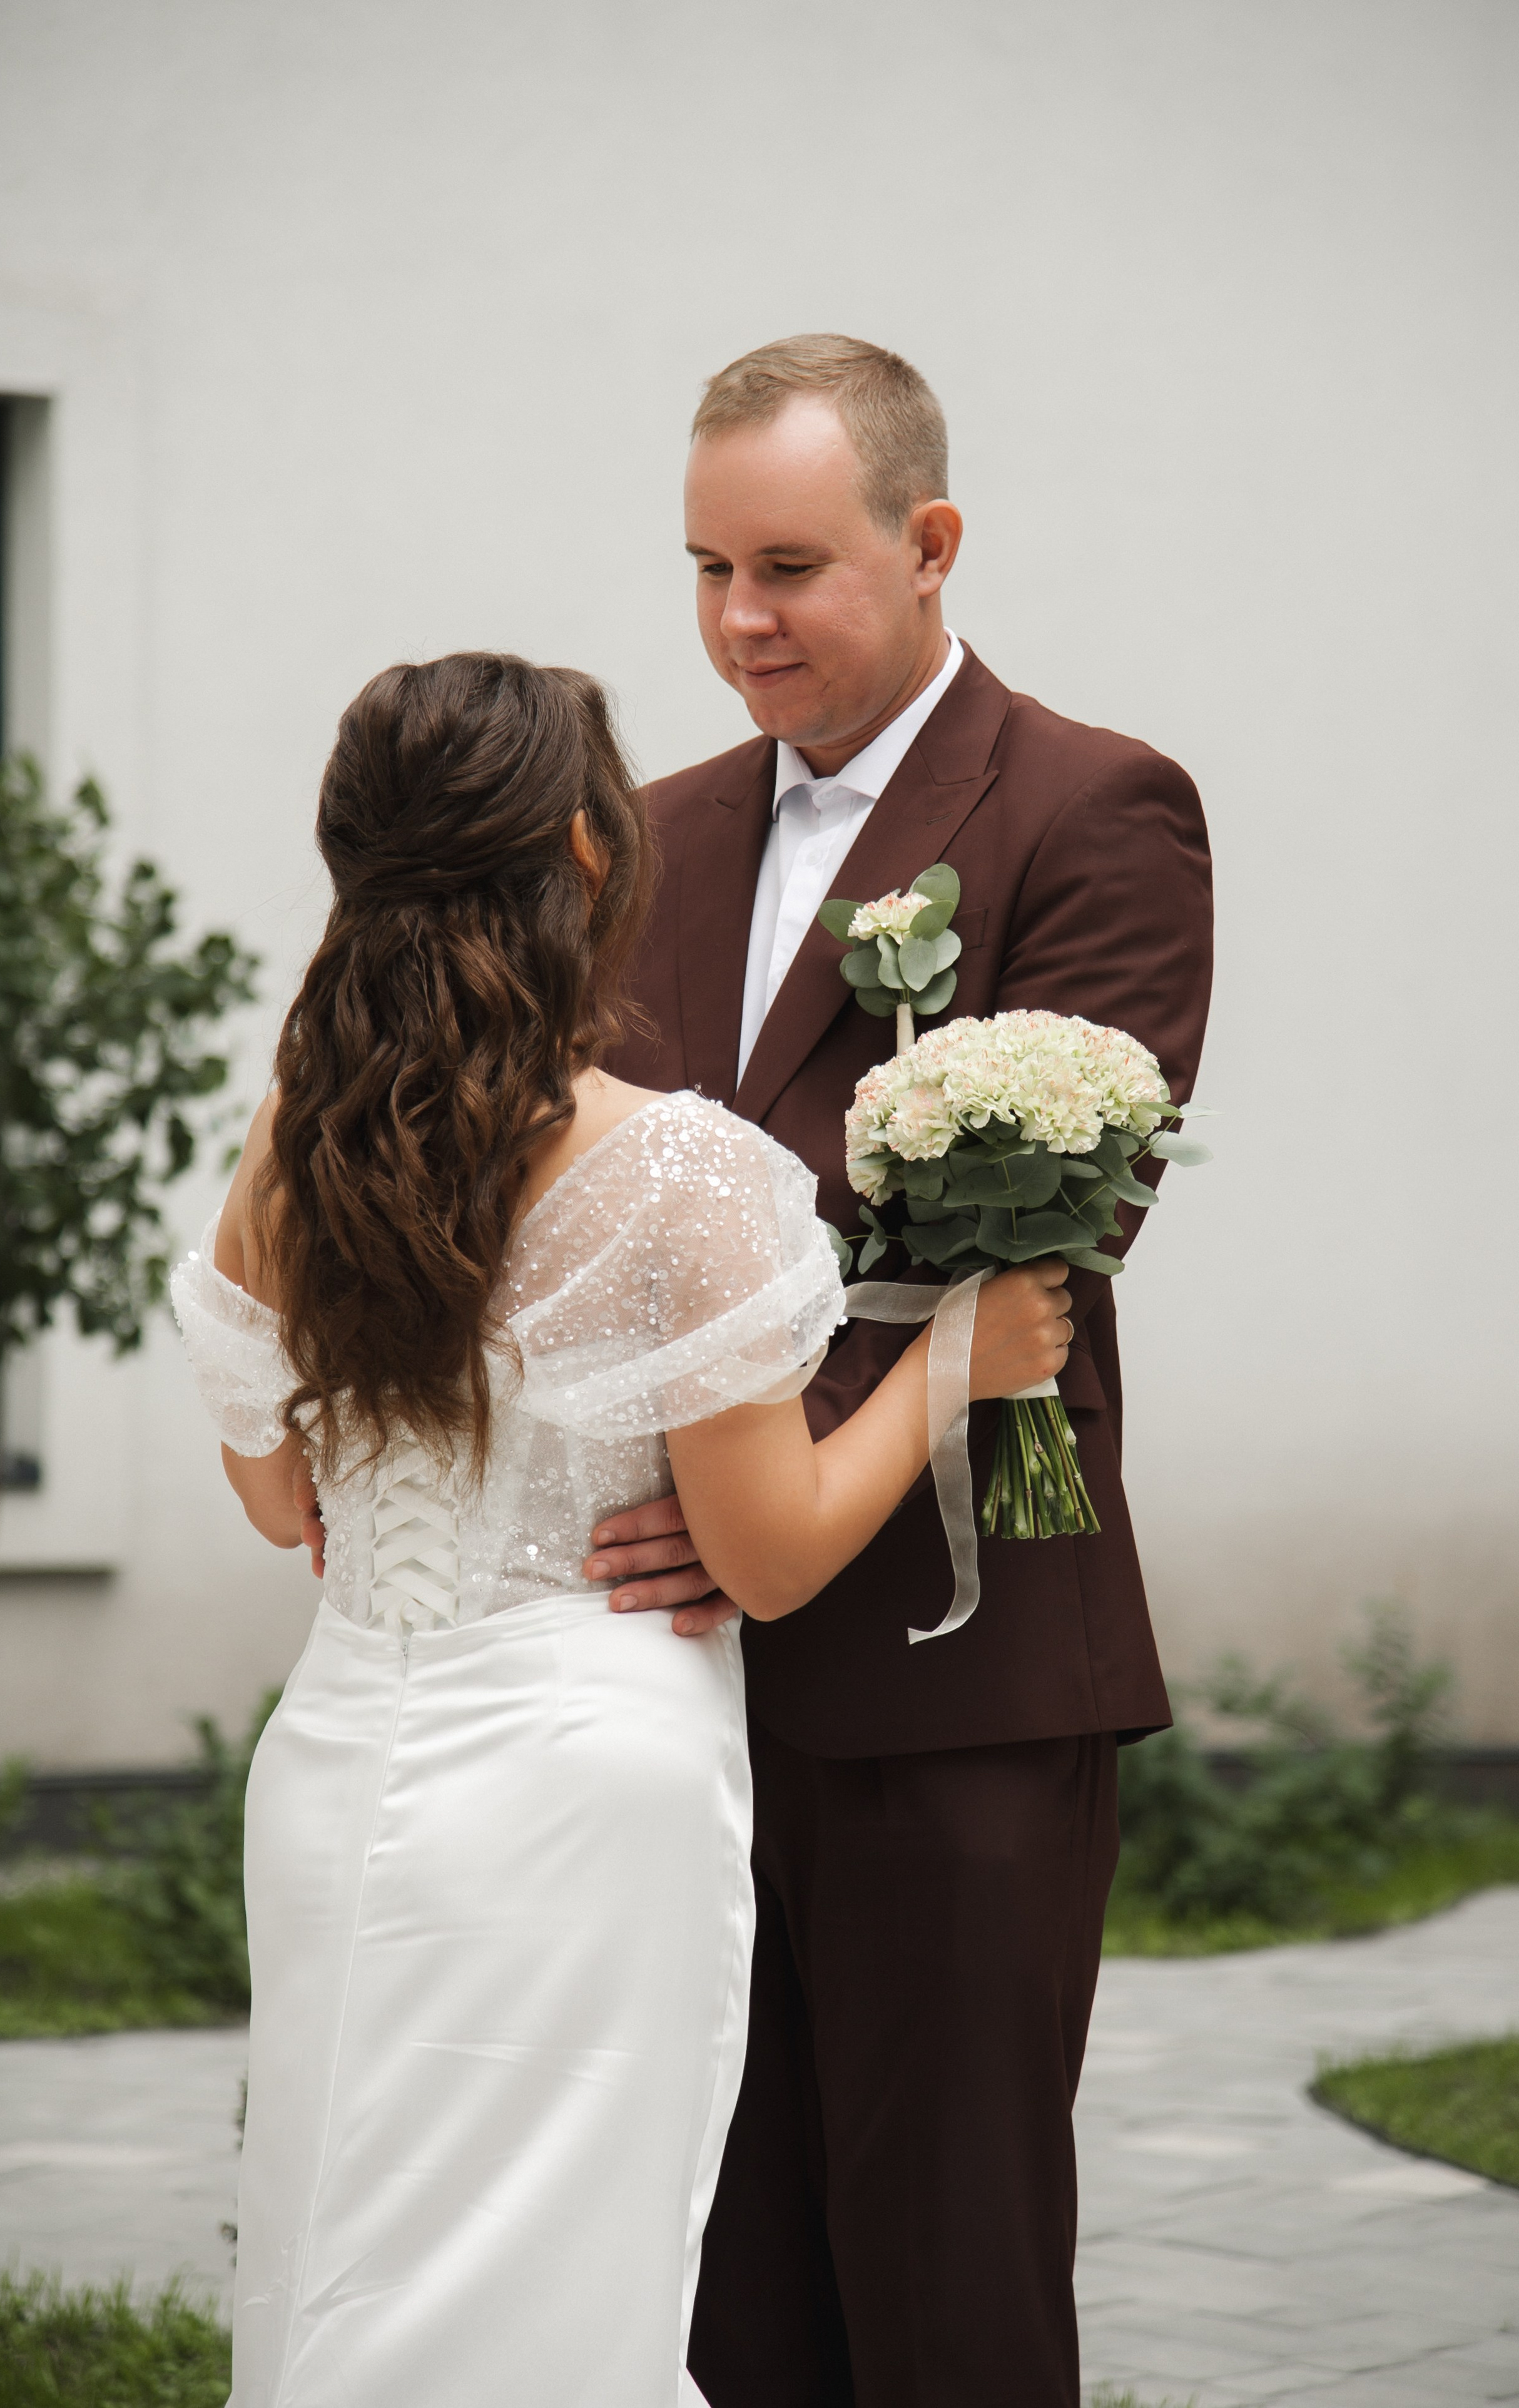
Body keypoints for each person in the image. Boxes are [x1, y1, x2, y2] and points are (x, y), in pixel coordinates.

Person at [172, 650, 1075, 2408]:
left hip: (344, 1752)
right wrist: (958, 1357)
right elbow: (769, 1555)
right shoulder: (682, 1173)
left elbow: (284, 1495)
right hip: (586, 1794)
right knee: (569, 2288)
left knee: (337, 2248)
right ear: (590, 857)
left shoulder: (298, 1140)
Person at [592, 335, 1216, 2406]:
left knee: (946, 2279)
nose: (736, 621)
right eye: (703, 569)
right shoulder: (648, 833)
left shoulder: (1094, 804)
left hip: (958, 1658)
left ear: (931, 542)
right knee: (726, 2274)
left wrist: (746, 1476)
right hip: (670, 1683)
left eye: (788, 565)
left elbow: (1052, 1225)